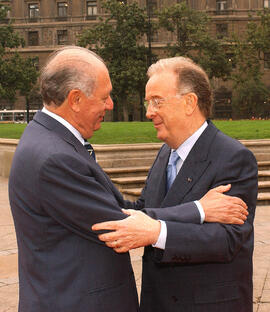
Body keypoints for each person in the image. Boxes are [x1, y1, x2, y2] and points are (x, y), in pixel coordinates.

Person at [92, 57, 258, 312]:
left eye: (157, 101)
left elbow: (227, 239)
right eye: (147, 103)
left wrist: (156, 233)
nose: (149, 112)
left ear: (190, 102)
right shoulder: (166, 152)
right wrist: (90, 181)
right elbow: (146, 208)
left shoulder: (234, 157)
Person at [8, 46, 140, 312]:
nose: (111, 104)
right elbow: (120, 224)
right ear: (76, 99)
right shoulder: (55, 158)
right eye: (105, 96)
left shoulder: (46, 139)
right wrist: (199, 211)